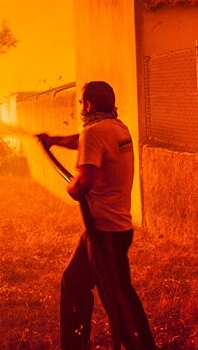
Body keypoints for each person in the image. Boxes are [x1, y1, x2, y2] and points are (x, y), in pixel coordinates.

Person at [37, 81, 156, 350]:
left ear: (88, 104)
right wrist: (53, 141)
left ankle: (137, 344)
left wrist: (70, 185)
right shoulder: (117, 128)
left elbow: (83, 184)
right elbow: (82, 141)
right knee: (76, 283)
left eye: (80, 102)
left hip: (103, 232)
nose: (80, 107)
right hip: (116, 229)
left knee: (118, 298)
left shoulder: (95, 133)